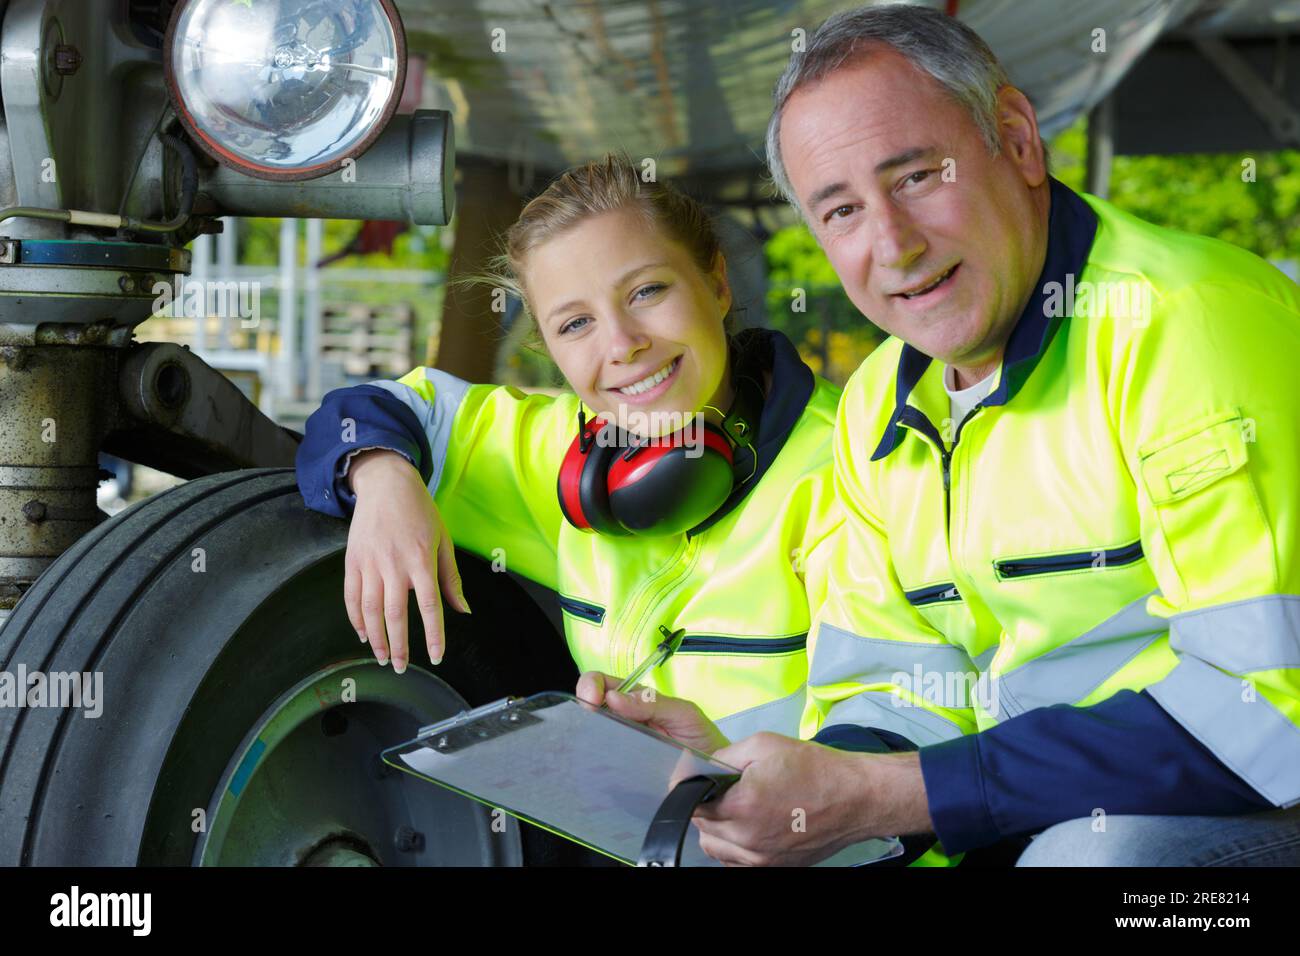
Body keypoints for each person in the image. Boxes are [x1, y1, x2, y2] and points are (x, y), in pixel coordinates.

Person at [580, 5, 1300, 866]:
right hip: (1033, 817)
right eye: (841, 211)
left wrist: (893, 795)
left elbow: (1270, 712)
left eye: (919, 176)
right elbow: (895, 698)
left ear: (1018, 140)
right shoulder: (875, 403)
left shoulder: (1188, 327)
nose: (894, 245)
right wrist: (772, 784)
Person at [295, 155, 843, 740]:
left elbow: (894, 735)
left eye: (647, 290)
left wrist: (737, 784)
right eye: (575, 324)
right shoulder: (559, 451)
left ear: (716, 283)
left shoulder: (852, 462)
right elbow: (365, 412)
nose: (622, 344)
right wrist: (383, 478)